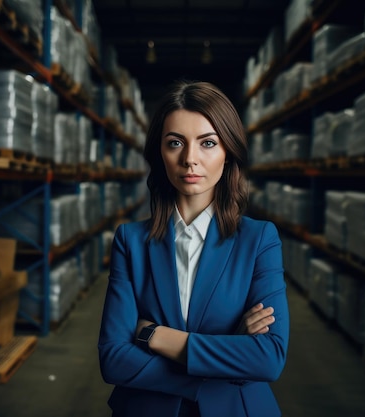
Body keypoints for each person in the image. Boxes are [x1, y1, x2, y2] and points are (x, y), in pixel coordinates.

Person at [98, 80, 289, 417]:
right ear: (160, 152)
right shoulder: (130, 241)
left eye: (208, 143)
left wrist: (154, 335)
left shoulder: (259, 240)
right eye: (175, 143)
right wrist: (224, 358)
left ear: (227, 151)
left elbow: (268, 358)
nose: (190, 159)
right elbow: (113, 359)